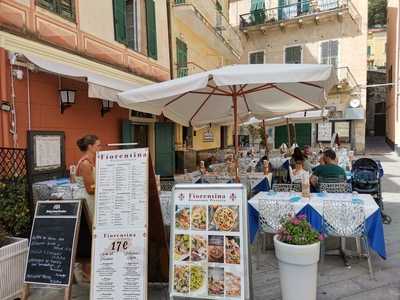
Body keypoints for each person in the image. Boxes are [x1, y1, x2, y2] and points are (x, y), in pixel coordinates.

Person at [75, 134, 101, 223]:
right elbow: (90, 189)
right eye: (98, 145)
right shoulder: (85, 163)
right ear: (90, 147)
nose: (100, 148)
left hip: (91, 198)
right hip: (87, 200)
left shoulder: (90, 162)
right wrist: (106, 189)